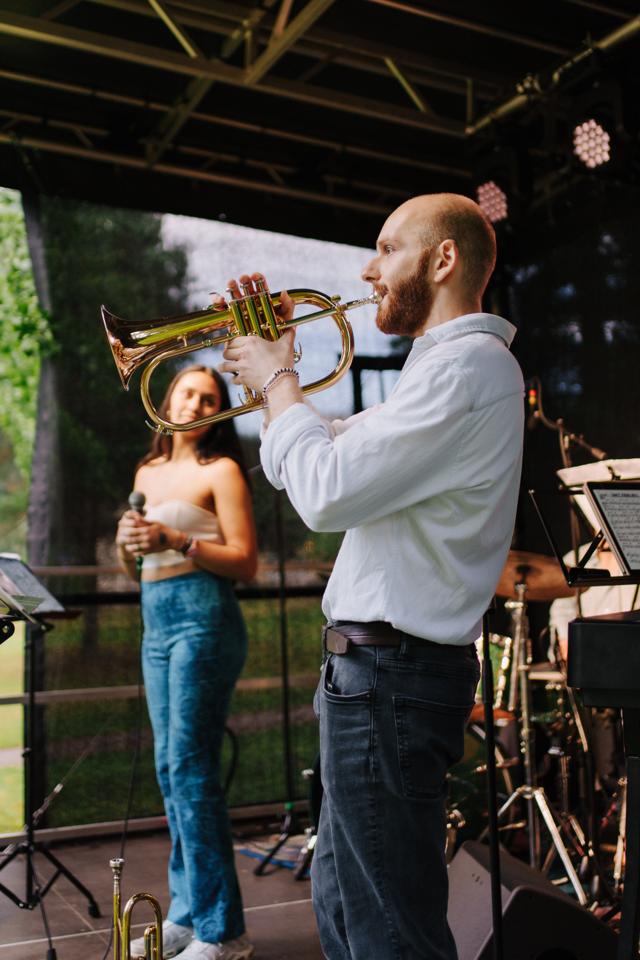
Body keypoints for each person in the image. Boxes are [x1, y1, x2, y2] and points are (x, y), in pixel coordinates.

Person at [216, 193, 525, 959]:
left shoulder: (471, 366)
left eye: (387, 248)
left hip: (392, 673)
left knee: (388, 930)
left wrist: (280, 377)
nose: (367, 268)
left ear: (442, 259)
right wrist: (272, 378)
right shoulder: (440, 371)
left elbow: (323, 491)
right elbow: (313, 457)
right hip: (377, 674)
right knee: (351, 916)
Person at [116, 365, 257, 960]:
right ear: (166, 400)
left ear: (219, 412)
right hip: (158, 625)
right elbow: (136, 570)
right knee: (169, 770)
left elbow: (246, 563)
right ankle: (188, 909)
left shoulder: (220, 470)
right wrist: (131, 546)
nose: (197, 404)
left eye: (210, 399)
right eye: (188, 393)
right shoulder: (146, 471)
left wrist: (176, 541)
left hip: (206, 621)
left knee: (191, 768)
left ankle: (224, 933)